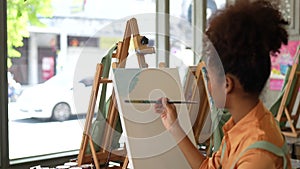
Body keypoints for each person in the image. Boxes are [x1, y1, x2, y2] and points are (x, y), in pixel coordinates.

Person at [155, 0, 291, 168]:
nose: (209, 86)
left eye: (209, 78)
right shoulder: (242, 125)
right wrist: (174, 127)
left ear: (227, 84)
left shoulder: (258, 155)